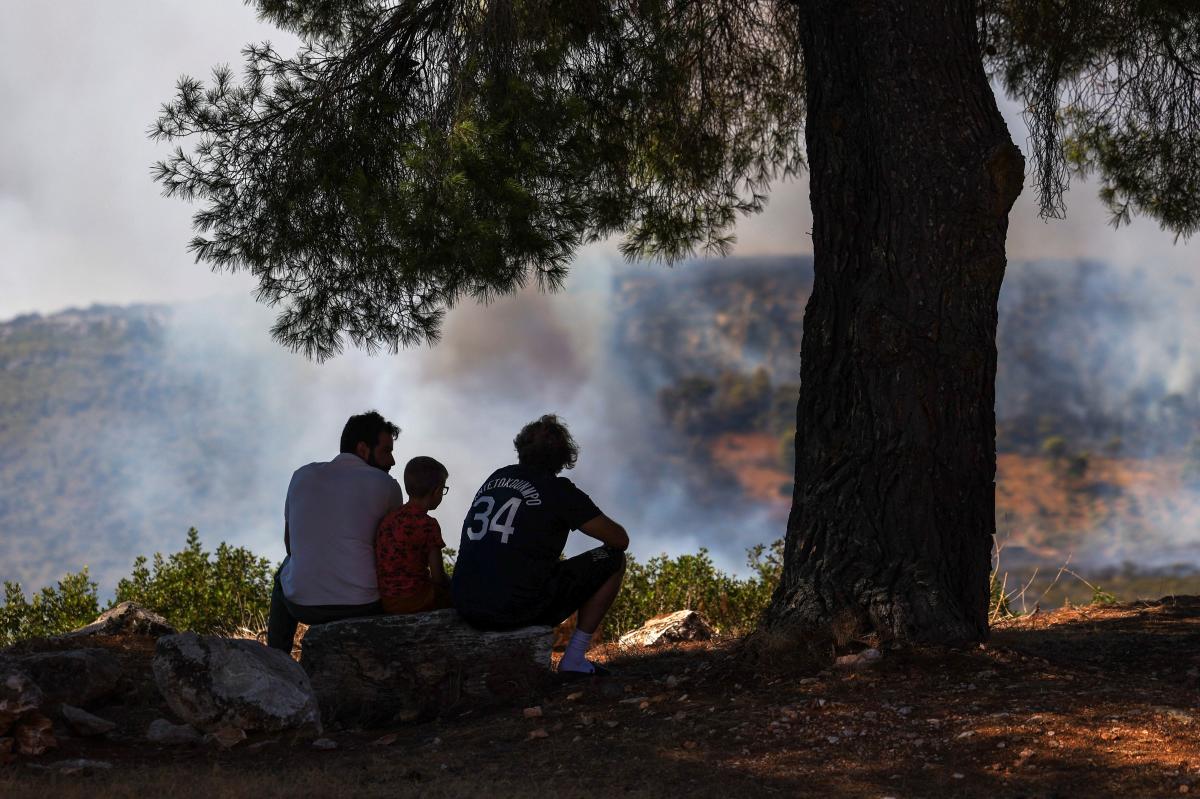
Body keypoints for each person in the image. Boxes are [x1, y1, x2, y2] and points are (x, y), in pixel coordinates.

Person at [452, 414, 628, 675]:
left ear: (521, 448)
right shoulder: (558, 491)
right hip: (514, 608)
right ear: (563, 457)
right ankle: (575, 659)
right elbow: (619, 540)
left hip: (465, 602)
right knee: (614, 559)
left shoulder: (497, 478)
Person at [266, 410, 405, 651]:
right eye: (386, 451)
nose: (392, 461)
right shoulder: (387, 486)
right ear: (363, 449)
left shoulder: (301, 476)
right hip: (364, 604)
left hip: (302, 606)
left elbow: (291, 547)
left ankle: (276, 662)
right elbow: (393, 551)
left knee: (284, 573)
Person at [375, 456, 453, 614]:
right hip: (417, 601)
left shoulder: (388, 519)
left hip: (387, 602)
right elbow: (438, 577)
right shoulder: (428, 524)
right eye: (443, 489)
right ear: (436, 490)